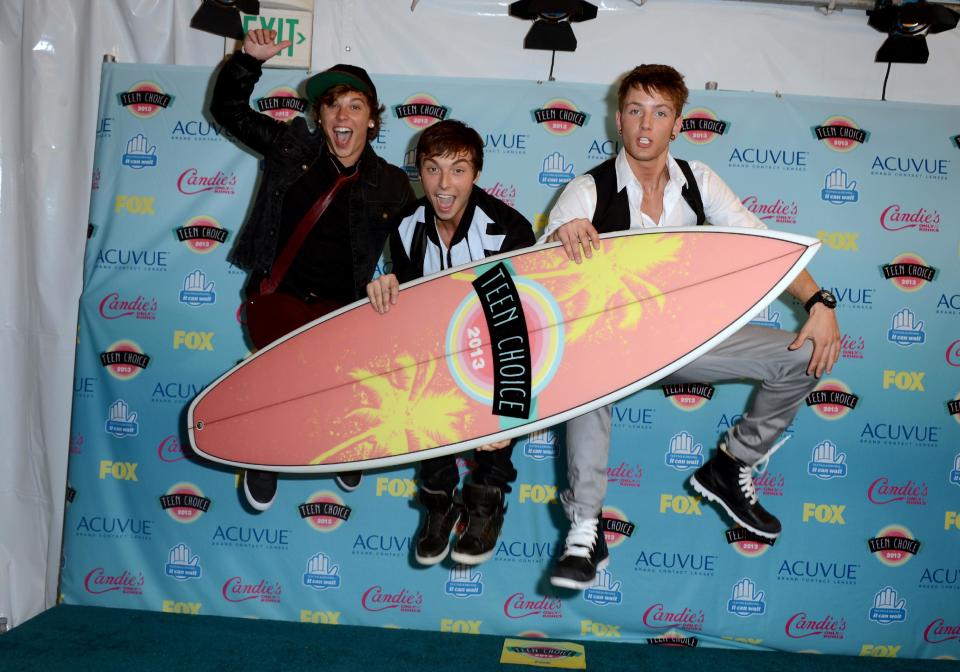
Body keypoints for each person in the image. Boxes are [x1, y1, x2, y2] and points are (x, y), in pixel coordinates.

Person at [543, 64, 840, 590]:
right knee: (584, 375)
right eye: (635, 111)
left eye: (659, 113)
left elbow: (765, 249)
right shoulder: (587, 189)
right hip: (613, 347)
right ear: (618, 119)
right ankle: (585, 528)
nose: (644, 125)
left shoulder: (699, 182)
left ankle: (731, 465)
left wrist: (819, 302)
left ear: (676, 124)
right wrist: (562, 238)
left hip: (685, 340)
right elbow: (543, 278)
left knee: (800, 354)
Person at [210, 29, 415, 511]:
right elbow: (229, 111)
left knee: (350, 366)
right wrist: (247, 61)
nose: (343, 115)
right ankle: (264, 451)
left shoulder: (390, 184)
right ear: (320, 116)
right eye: (333, 105)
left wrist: (396, 282)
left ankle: (347, 432)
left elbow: (417, 246)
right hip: (277, 295)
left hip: (341, 307)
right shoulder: (291, 149)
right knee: (288, 364)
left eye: (355, 106)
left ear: (371, 120)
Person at [366, 120, 536, 565]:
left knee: (503, 416)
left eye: (458, 170)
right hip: (437, 349)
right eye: (433, 169)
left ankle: (486, 499)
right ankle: (439, 501)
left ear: (476, 174)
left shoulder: (507, 229)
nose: (444, 185)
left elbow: (521, 334)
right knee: (411, 374)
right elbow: (412, 322)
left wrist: (507, 415)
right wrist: (384, 292)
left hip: (498, 351)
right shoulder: (405, 226)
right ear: (418, 171)